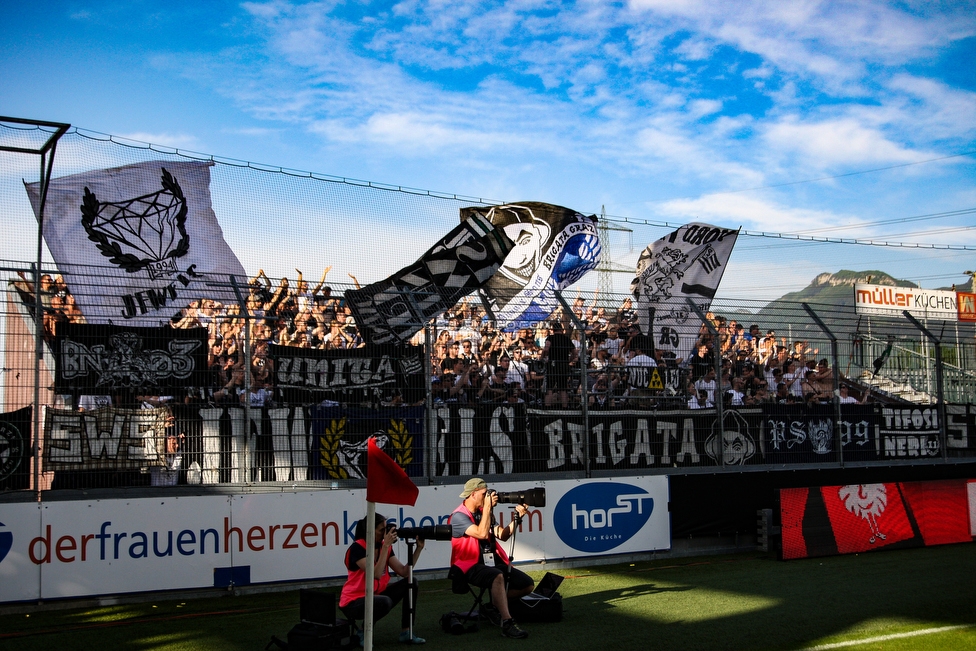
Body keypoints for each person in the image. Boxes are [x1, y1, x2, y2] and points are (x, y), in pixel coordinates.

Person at [450, 478, 534, 639]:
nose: (488, 496)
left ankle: (493, 606)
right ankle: (507, 623)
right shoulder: (458, 517)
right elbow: (481, 533)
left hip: (490, 562)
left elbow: (502, 535)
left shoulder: (484, 513)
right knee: (497, 576)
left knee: (527, 585)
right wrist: (488, 507)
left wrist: (517, 518)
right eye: (484, 494)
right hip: (469, 566)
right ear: (473, 494)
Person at [339, 513, 426, 646]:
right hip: (353, 602)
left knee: (411, 582)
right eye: (381, 530)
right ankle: (363, 632)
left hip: (375, 595)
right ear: (370, 531)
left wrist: (418, 549)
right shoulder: (358, 548)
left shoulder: (384, 546)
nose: (385, 533)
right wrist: (385, 547)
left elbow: (403, 572)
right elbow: (376, 574)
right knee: (384, 601)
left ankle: (406, 632)